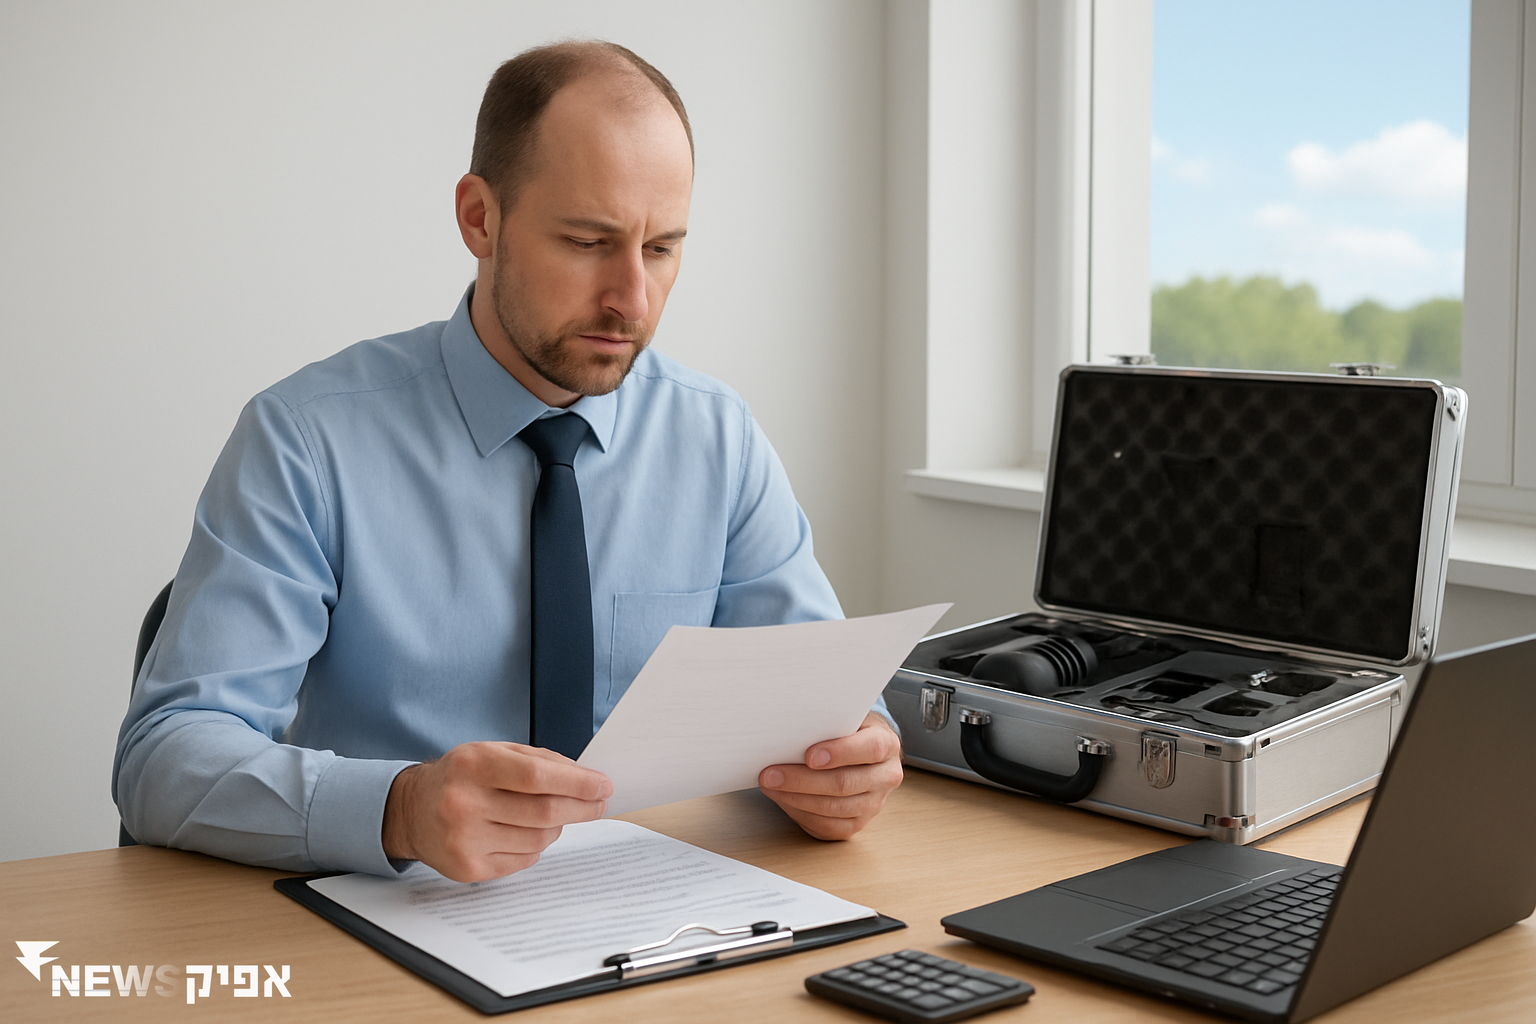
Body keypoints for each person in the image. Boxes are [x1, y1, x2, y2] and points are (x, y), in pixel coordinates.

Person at [112, 41, 902, 883]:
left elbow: (832, 703)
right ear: (479, 219)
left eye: (662, 248)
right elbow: (162, 762)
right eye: (588, 240)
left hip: (651, 922)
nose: (632, 299)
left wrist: (855, 762)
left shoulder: (718, 439)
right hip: (390, 928)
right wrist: (401, 809)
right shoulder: (304, 442)